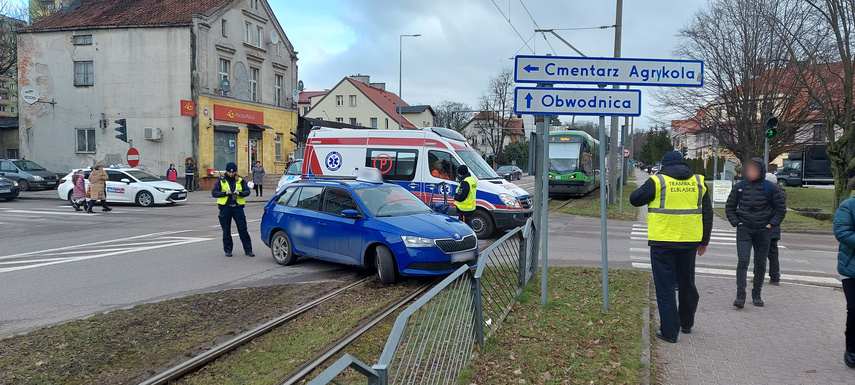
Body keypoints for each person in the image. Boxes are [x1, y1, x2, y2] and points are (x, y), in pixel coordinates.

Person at [630, 151, 712, 343]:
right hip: (689, 241)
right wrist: (704, 241)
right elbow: (707, 214)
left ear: (664, 165)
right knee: (687, 283)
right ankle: (686, 323)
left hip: (663, 242)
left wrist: (652, 181)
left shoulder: (658, 181)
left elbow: (635, 199)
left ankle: (669, 332)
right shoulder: (699, 182)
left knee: (665, 287)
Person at [725, 158, 786, 308]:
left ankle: (757, 294)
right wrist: (736, 222)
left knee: (760, 263)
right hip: (744, 228)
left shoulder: (770, 187)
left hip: (763, 230)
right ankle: (740, 295)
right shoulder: (740, 186)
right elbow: (729, 207)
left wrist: (770, 224)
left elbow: (780, 209)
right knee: (743, 261)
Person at [211, 162, 253, 257]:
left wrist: (240, 193)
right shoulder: (221, 180)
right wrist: (225, 193)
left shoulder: (240, 180)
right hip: (225, 208)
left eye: (233, 172)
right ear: (226, 171)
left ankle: (248, 250)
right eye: (229, 172)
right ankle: (228, 250)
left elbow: (247, 191)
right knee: (226, 230)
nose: (231, 174)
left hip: (238, 208)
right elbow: (214, 193)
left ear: (235, 171)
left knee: (243, 229)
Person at [833, 193, 855, 368]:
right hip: (851, 268)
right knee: (854, 309)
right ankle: (852, 349)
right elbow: (842, 232)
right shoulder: (848, 206)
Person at [765, 173, 786, 285]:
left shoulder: (766, 193)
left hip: (764, 227)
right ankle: (775, 277)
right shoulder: (781, 193)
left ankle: (757, 275)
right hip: (775, 227)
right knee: (773, 254)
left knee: (761, 254)